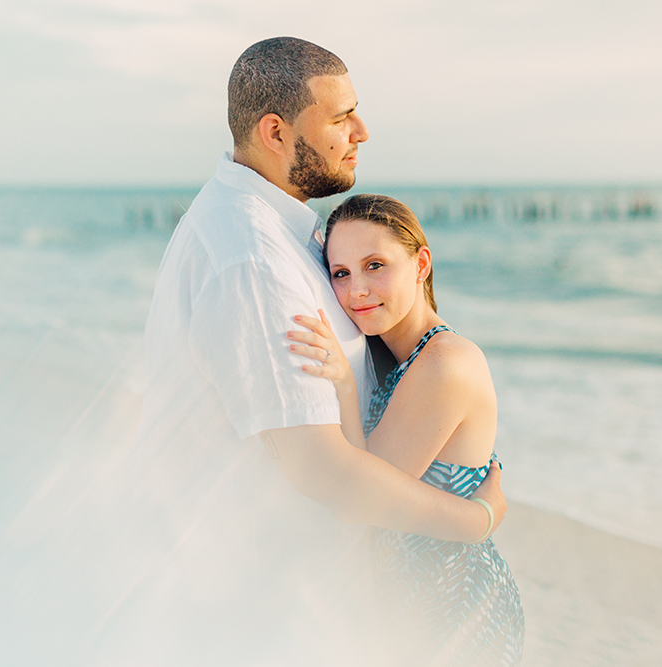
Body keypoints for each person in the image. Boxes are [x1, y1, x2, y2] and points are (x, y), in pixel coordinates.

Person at [122, 37, 507, 666]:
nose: (361, 129)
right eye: (339, 117)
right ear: (276, 133)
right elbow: (323, 472)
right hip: (256, 604)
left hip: (291, 598)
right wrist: (475, 522)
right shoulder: (253, 258)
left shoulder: (287, 233)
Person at [287, 194, 525, 666]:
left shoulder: (445, 363)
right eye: (341, 273)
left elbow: (361, 499)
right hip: (408, 609)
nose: (357, 291)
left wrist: (344, 390)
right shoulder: (390, 356)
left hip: (458, 611)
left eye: (375, 265)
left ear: (421, 265)